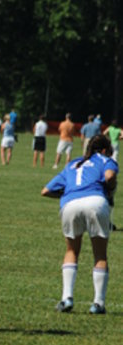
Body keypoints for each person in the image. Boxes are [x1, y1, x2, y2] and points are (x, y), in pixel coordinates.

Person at [41, 134, 118, 314]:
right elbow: (109, 176)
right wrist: (110, 189)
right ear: (105, 150)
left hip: (70, 204)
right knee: (100, 255)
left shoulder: (73, 164)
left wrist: (70, 194)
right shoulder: (106, 160)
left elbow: (46, 191)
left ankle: (66, 298)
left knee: (72, 251)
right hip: (96, 202)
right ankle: (98, 304)